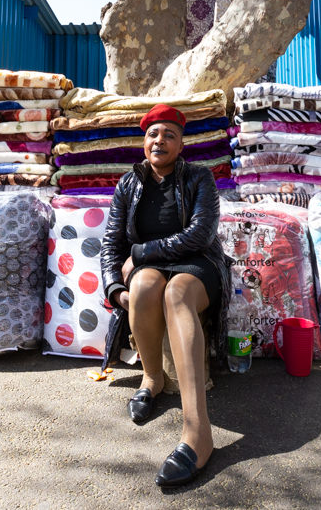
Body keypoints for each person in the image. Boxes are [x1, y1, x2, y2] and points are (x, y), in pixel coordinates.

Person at [100, 103, 230, 489]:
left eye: (169, 134)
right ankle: (151, 379)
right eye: (153, 134)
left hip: (199, 264)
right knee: (141, 285)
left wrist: (139, 253)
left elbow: (200, 235)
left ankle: (197, 432)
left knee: (176, 293)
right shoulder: (128, 183)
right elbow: (111, 244)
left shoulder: (199, 178)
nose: (160, 140)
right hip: (151, 270)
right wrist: (115, 288)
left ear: (181, 143)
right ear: (145, 141)